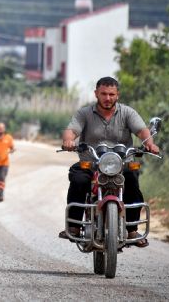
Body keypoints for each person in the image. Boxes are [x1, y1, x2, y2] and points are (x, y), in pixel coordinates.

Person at [59, 76, 160, 246]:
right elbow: (71, 130)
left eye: (111, 94)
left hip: (122, 163)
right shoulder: (85, 113)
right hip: (91, 163)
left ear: (117, 95)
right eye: (104, 94)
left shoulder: (127, 112)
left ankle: (132, 229)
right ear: (96, 94)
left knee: (133, 182)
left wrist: (149, 143)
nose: (108, 98)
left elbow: (142, 131)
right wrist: (69, 141)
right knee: (78, 179)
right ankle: (74, 225)